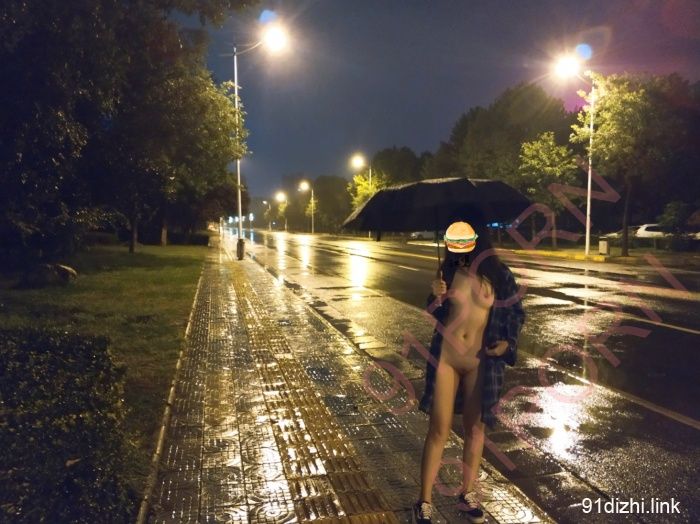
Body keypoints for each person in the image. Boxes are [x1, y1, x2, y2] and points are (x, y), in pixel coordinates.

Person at [412, 221, 525, 524]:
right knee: (439, 429)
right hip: (446, 358)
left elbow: (516, 313)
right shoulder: (447, 273)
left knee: (475, 429)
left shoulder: (500, 275)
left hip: (481, 361)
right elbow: (434, 312)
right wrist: (435, 295)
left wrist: (508, 343)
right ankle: (424, 501)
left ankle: (468, 493)